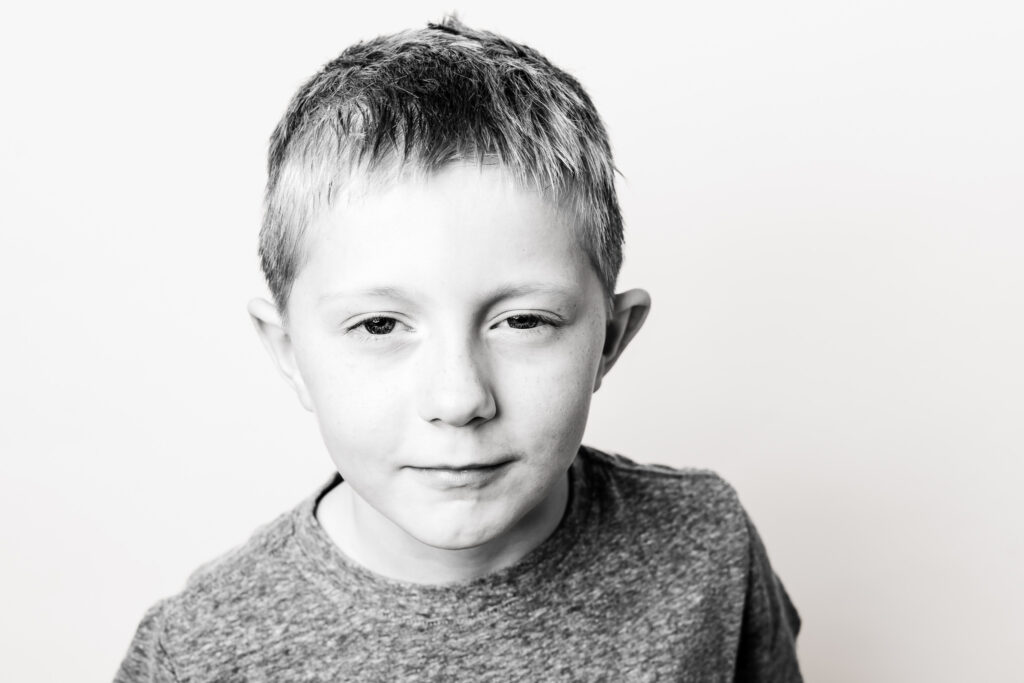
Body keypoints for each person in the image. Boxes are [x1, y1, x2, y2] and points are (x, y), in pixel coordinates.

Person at [116, 16, 801, 682]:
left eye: (523, 321)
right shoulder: (199, 653)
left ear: (611, 341)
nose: (458, 398)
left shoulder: (708, 547)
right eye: (379, 326)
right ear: (289, 352)